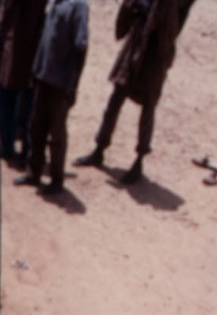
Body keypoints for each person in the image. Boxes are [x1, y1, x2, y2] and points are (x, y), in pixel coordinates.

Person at [74, 0, 195, 185]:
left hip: (155, 51)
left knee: (148, 106)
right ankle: (99, 149)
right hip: (137, 41)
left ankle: (139, 161)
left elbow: (174, 21)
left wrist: (154, 15)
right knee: (116, 97)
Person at [13, 0, 88, 195]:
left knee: (56, 133)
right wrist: (36, 69)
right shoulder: (55, 2)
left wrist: (73, 86)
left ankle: (56, 179)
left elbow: (81, 48)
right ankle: (34, 172)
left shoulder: (78, 6)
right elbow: (45, 39)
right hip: (43, 76)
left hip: (60, 83)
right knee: (36, 127)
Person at [0, 0, 48, 166]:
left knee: (8, 104)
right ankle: (24, 150)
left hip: (13, 53)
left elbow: (4, 17)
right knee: (26, 107)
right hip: (29, 53)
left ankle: (8, 147)